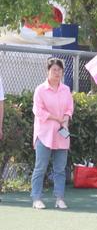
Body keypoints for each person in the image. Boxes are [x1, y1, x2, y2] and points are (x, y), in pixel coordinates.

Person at [31, 58, 74, 210]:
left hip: (62, 134)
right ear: (48, 71)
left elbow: (69, 108)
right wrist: (56, 118)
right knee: (40, 167)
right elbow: (38, 111)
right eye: (54, 70)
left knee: (60, 169)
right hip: (44, 134)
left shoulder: (66, 89)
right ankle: (36, 198)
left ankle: (59, 198)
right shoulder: (40, 90)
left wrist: (66, 118)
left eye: (59, 70)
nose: (57, 73)